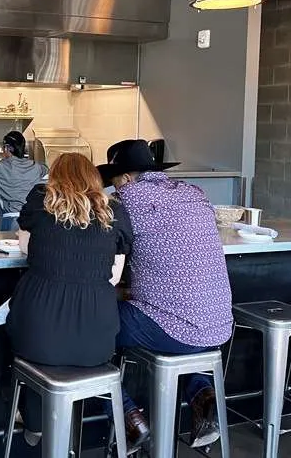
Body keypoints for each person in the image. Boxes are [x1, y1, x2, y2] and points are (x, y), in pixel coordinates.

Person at [97, 139, 233, 450]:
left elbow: (98, 254)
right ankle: (202, 393)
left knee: (88, 325)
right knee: (180, 317)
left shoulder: (125, 202)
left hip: (170, 327)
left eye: (115, 181)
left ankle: (127, 417)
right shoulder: (195, 194)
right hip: (218, 324)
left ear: (127, 178)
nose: (113, 189)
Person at [7, 152, 132, 445]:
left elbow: (26, 247)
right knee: (49, 343)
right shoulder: (114, 210)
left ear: (54, 176)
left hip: (40, 328)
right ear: (95, 178)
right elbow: (114, 276)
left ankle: (35, 421)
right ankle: (73, 431)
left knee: (25, 335)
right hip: (98, 341)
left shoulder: (41, 199)